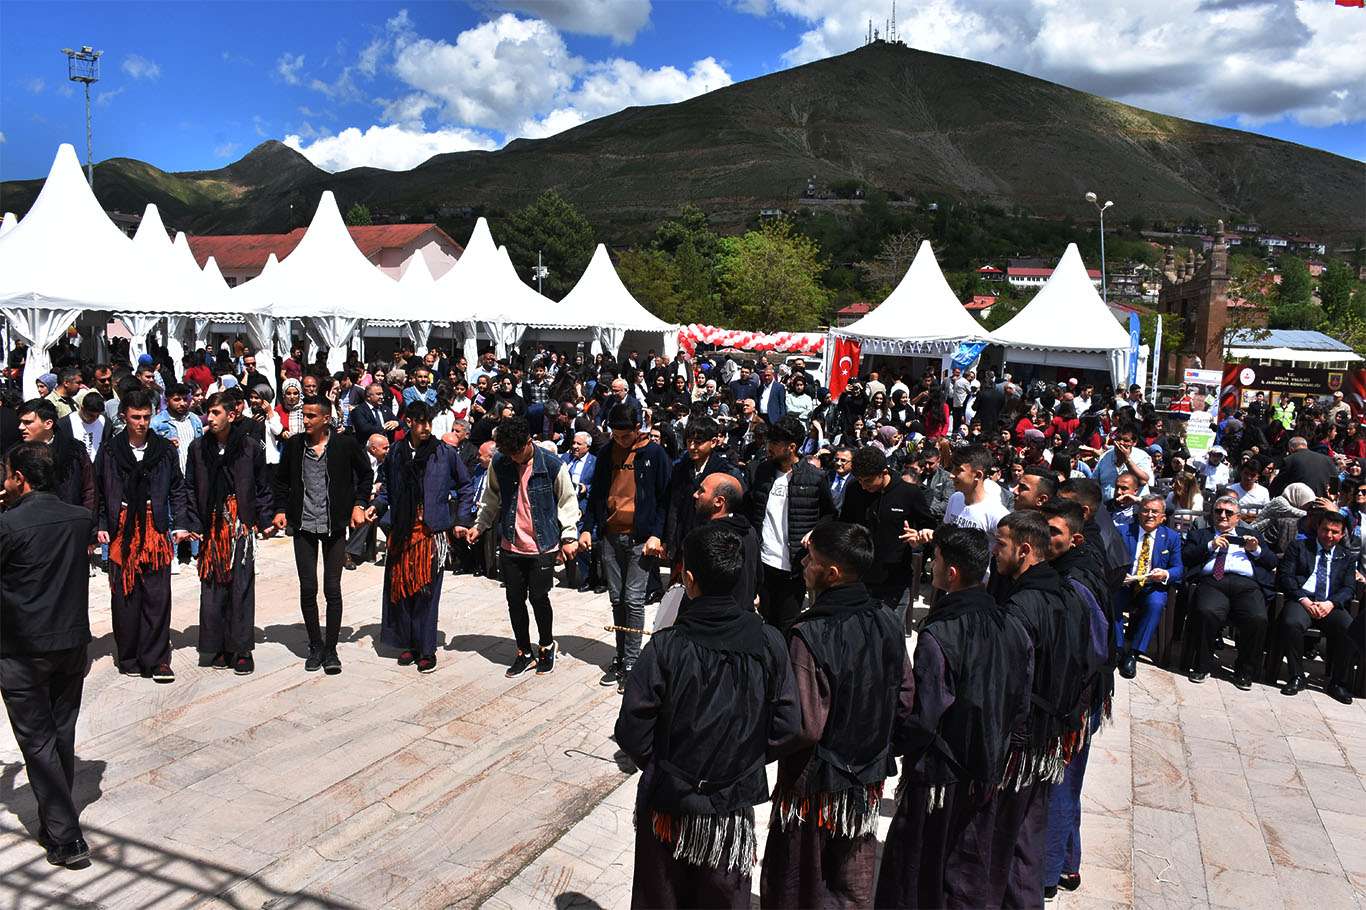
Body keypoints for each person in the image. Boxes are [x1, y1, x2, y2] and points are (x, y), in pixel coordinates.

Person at [615, 522, 801, 909]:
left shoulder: (666, 646)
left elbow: (633, 730)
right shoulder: (769, 641)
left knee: (662, 895)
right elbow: (787, 726)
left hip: (669, 804)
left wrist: (665, 765)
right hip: (729, 811)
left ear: (689, 579)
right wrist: (742, 760)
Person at [875, 523, 1032, 908]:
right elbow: (1020, 702)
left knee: (915, 869)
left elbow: (924, 717)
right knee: (966, 869)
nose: (932, 568)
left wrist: (892, 748)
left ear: (952, 573)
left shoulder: (938, 637)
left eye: (937, 560)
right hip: (988, 769)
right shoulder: (1013, 625)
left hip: (938, 777)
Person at [761, 522, 906, 908]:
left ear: (832, 573)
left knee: (799, 878)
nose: (805, 564)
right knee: (851, 877)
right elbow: (906, 699)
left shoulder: (808, 634)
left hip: (814, 784)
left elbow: (804, 725)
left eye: (812, 559)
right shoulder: (889, 620)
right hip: (867, 778)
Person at [0, 442, 94, 867]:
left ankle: (66, 837)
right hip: (70, 643)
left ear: (20, 478)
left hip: (22, 649)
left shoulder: (8, 526)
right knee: (61, 734)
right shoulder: (79, 518)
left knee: (38, 743)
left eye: (6, 474)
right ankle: (55, 821)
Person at [990, 509, 1087, 909]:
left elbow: (1010, 682)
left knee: (1006, 835)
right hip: (1048, 736)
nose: (994, 552)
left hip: (1023, 740)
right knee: (1028, 830)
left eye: (1001, 544)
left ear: (1025, 549)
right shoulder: (1066, 593)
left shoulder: (1022, 607)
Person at [465, 416, 580, 677]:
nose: (514, 458)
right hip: (511, 543)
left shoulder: (552, 465)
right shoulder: (500, 462)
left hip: (542, 545)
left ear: (529, 442)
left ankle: (546, 646)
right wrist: (480, 525)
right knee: (514, 600)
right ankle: (523, 651)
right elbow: (491, 497)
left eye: (517, 452)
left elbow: (567, 502)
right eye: (509, 453)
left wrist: (569, 536)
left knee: (539, 598)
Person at [271, 395, 373, 674]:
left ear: (326, 419)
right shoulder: (294, 446)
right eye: (303, 415)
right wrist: (280, 509)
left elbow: (366, 475)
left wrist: (359, 504)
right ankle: (315, 646)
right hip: (303, 525)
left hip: (334, 524)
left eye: (311, 416)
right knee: (308, 588)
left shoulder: (345, 445)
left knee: (332, 588)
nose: (305, 421)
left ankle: (331, 649)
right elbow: (280, 481)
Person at [93, 390, 189, 683]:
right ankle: (130, 655)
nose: (142, 422)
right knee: (125, 594)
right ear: (124, 417)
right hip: (122, 526)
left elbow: (178, 488)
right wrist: (100, 525)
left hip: (155, 526)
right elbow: (97, 491)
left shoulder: (164, 450)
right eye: (136, 417)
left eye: (147, 416)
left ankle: (158, 658)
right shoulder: (110, 451)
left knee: (158, 595)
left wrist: (180, 524)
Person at [580, 403, 672, 692]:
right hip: (610, 535)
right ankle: (620, 656)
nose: (619, 440)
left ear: (637, 428)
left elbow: (664, 499)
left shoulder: (654, 454)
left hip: (640, 539)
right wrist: (587, 529)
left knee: (633, 600)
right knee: (617, 599)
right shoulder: (607, 452)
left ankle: (632, 663)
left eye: (624, 435)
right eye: (615, 435)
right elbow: (597, 493)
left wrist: (657, 535)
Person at [374, 401, 468, 674]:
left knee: (427, 591)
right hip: (402, 530)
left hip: (431, 532)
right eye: (420, 422)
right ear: (408, 423)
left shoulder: (444, 453)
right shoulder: (396, 453)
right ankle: (409, 643)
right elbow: (386, 489)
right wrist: (376, 508)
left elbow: (465, 485)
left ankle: (426, 649)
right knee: (402, 588)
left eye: (428, 422)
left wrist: (461, 519)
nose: (425, 427)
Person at [184, 392, 274, 675]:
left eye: (215, 413)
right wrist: (193, 524)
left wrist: (264, 518)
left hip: (240, 525)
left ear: (231, 415)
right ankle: (218, 646)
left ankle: (242, 649)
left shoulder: (250, 447)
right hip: (212, 525)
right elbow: (190, 487)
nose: (209, 418)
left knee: (241, 586)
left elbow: (262, 486)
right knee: (212, 586)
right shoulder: (197, 448)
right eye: (208, 413)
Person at [747, 416, 836, 634]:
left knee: (787, 625)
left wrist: (815, 532)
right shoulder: (761, 471)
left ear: (792, 447)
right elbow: (751, 510)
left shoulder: (814, 478)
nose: (769, 447)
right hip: (764, 563)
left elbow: (830, 515)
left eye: (775, 444)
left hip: (793, 568)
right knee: (764, 621)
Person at [1183, 495, 1279, 688]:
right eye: (1218, 511)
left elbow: (1272, 561)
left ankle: (1244, 670)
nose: (1223, 516)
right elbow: (1186, 557)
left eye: (1229, 512)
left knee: (1257, 618)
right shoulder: (1201, 534)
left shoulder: (1250, 534)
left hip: (1246, 585)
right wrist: (1211, 545)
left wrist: (1256, 550)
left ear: (1238, 517)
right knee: (1206, 611)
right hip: (1213, 581)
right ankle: (1202, 664)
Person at [1272, 510, 1356, 702]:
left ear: (1342, 534)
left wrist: (1331, 603)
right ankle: (1297, 676)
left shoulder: (1346, 556)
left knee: (1351, 629)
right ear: (1317, 528)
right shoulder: (1299, 547)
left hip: (1329, 604)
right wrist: (1304, 599)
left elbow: (1349, 587)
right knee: (1291, 622)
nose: (1329, 535)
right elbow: (1286, 577)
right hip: (1302, 600)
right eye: (1325, 530)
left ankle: (1338, 683)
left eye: (1335, 532)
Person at [849, 446, 930, 622]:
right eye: (860, 480)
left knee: (890, 639)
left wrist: (918, 539)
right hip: (859, 579)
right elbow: (844, 525)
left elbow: (929, 529)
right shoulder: (854, 490)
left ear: (883, 472)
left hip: (894, 582)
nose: (863, 486)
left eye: (868, 481)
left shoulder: (910, 493)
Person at [1114, 495, 1184, 678]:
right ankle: (1118, 648)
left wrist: (1166, 574)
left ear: (1163, 517)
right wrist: (1118, 575)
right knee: (1111, 601)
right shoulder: (1122, 531)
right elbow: (1109, 559)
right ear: (1139, 512)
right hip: (1125, 583)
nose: (1149, 515)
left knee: (1156, 604)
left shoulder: (1171, 537)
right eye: (1145, 510)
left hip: (1152, 585)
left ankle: (1134, 653)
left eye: (1155, 511)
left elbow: (1178, 568)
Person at [662, 417, 738, 569]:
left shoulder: (724, 472)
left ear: (714, 442)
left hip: (710, 543)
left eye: (698, 442)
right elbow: (673, 507)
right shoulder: (680, 469)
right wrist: (669, 540)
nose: (692, 447)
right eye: (689, 441)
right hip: (682, 541)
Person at [692, 472, 760, 609]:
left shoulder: (704, 538)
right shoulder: (750, 532)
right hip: (743, 617)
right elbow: (758, 577)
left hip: (714, 621)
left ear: (719, 501)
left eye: (702, 491)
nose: (695, 495)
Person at [16, 399, 96, 514]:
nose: (21, 427)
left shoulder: (73, 451)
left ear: (48, 424)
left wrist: (86, 520)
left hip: (71, 521)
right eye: (21, 422)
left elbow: (90, 490)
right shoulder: (16, 454)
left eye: (28, 422)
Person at [346, 433, 389, 569]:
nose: (388, 451)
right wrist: (371, 490)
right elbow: (352, 484)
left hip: (377, 499)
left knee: (382, 513)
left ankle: (394, 545)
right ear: (373, 449)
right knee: (367, 513)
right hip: (355, 498)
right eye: (385, 448)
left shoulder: (385, 461)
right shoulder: (358, 457)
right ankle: (348, 552)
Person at [560, 430, 597, 589]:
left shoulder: (595, 462)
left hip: (584, 508)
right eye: (573, 443)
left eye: (578, 444)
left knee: (581, 540)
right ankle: (570, 576)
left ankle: (588, 577)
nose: (574, 446)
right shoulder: (564, 459)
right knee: (567, 538)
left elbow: (599, 486)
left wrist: (586, 488)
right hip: (565, 506)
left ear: (587, 446)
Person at [1092, 424, 1152, 501]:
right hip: (1108, 508)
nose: (1120, 443)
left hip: (1134, 509)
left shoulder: (1142, 456)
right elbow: (1094, 482)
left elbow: (1143, 481)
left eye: (1126, 440)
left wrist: (1127, 460)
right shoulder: (1105, 457)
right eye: (1118, 439)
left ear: (1134, 442)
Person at [827, 445, 854, 512]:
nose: (838, 463)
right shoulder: (826, 476)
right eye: (836, 459)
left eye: (843, 460)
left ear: (852, 463)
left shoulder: (856, 482)